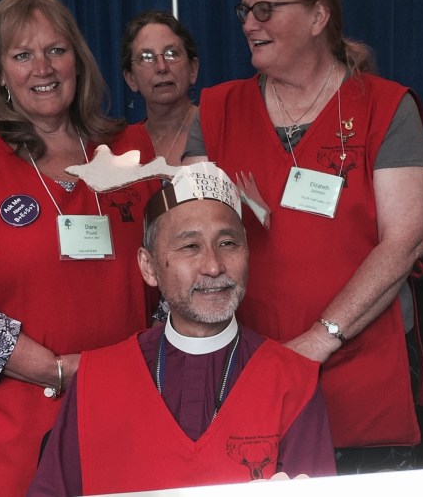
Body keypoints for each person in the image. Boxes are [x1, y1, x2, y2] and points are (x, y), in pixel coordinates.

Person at [183, 0, 423, 473]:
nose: (250, 23)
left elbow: (406, 239)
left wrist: (317, 342)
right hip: (247, 368)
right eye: (244, 10)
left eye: (266, 9)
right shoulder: (218, 108)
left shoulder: (385, 107)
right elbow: (192, 232)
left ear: (319, 16)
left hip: (361, 368)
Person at [0, 0, 158, 497]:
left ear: (77, 60)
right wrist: (59, 369)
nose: (43, 67)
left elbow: (168, 275)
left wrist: (143, 369)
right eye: (22, 55)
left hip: (125, 404)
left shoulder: (132, 151)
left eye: (56, 50)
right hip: (2, 426)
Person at [27, 162, 336, 496]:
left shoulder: (293, 381)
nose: (214, 266)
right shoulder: (94, 380)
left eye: (228, 243)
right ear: (149, 266)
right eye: (190, 246)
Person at [122, 10, 200, 165]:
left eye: (172, 53)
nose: (162, 67)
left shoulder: (218, 129)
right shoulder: (123, 148)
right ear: (131, 79)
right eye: (146, 57)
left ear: (192, 69)